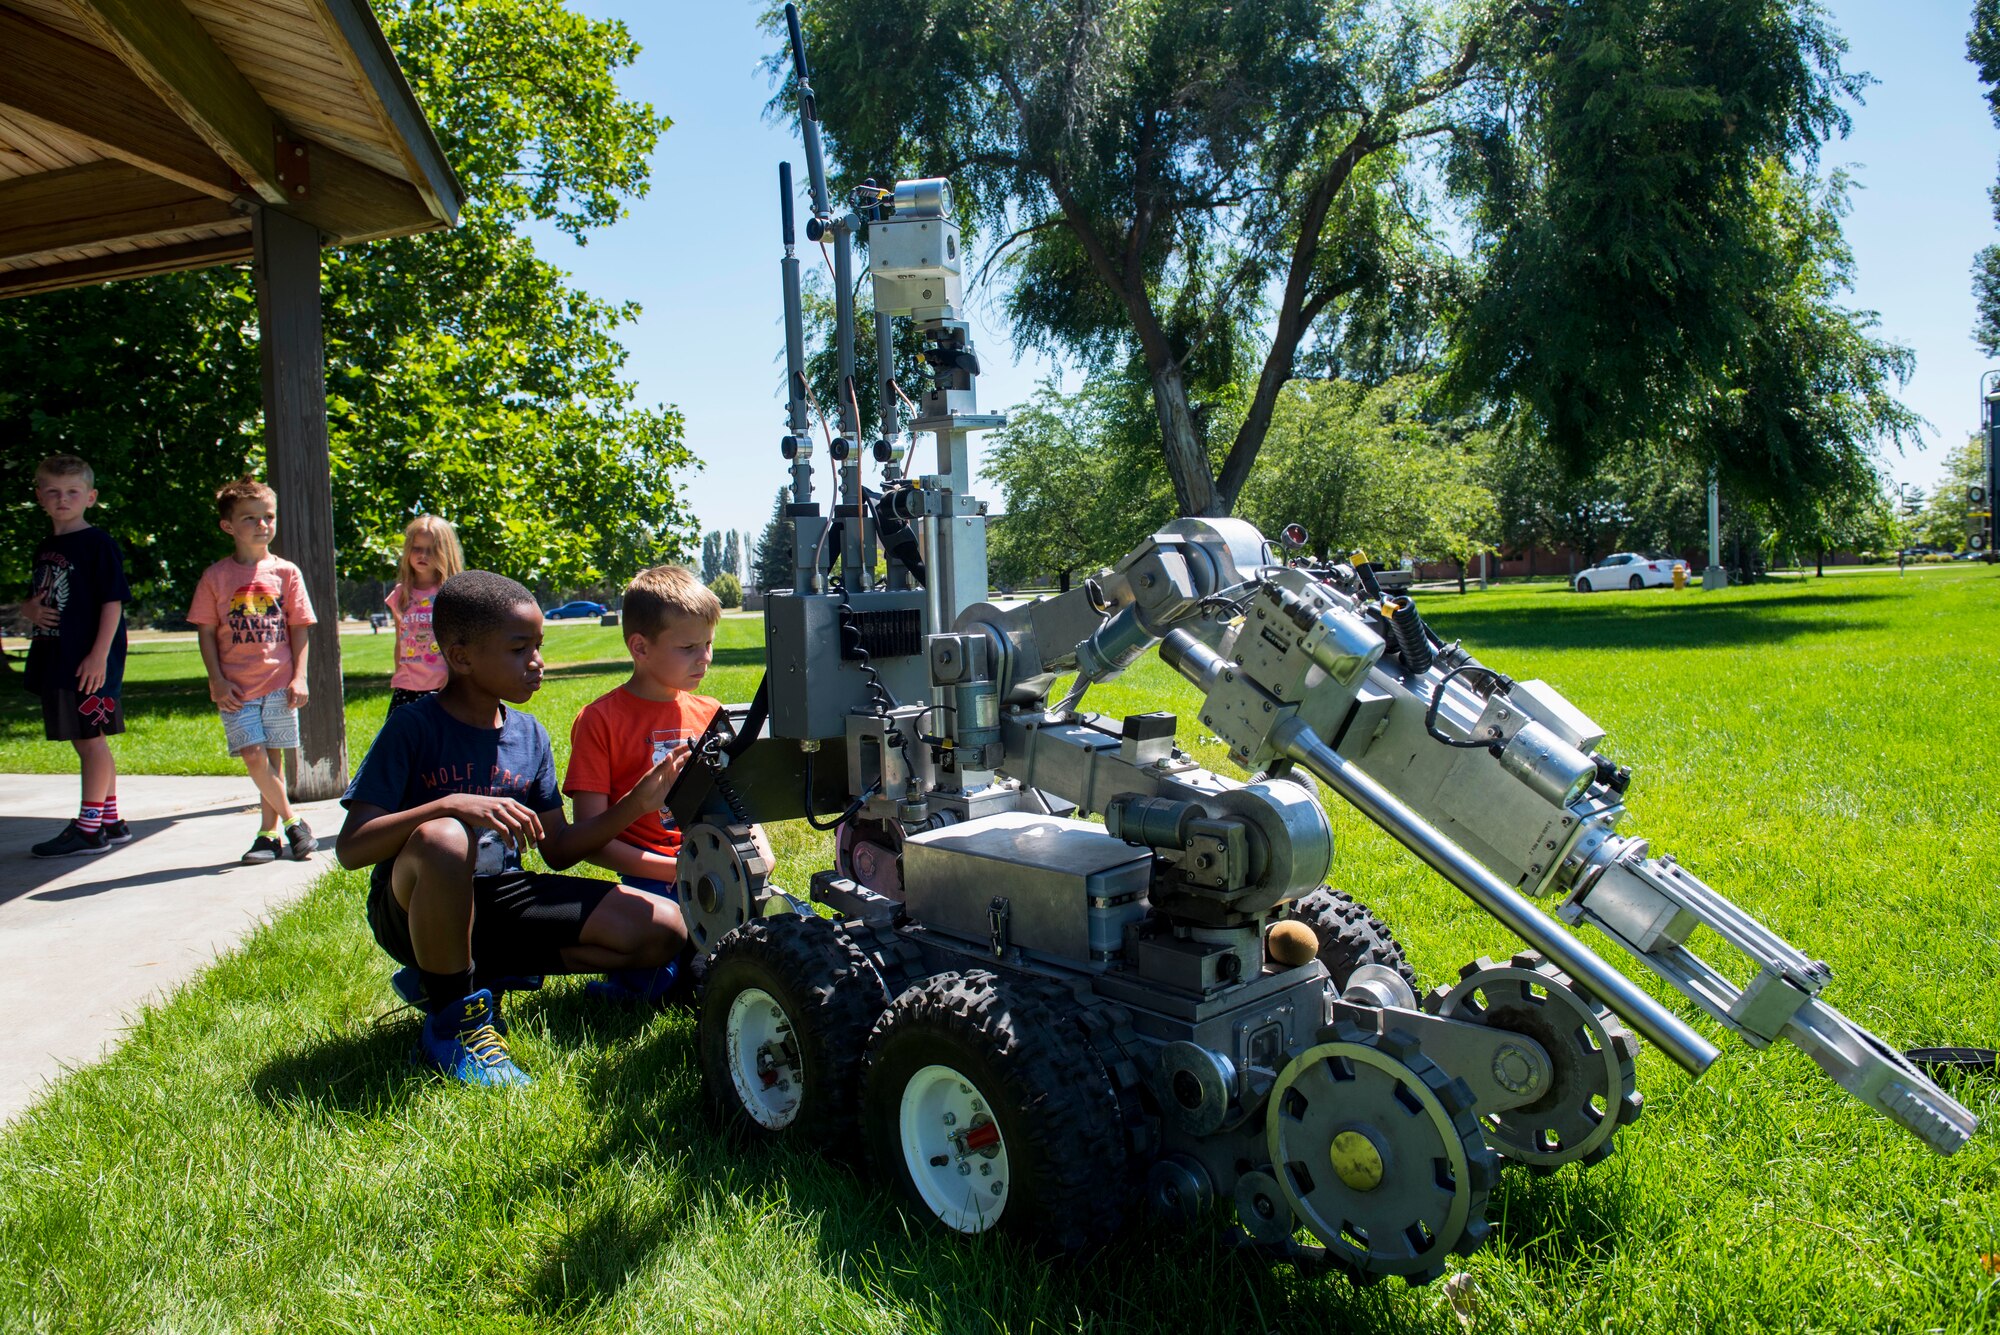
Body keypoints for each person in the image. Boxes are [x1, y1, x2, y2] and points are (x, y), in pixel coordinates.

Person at [334, 570, 688, 1086]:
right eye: (520, 649)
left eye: (539, 646)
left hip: (503, 897)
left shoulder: (528, 734)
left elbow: (560, 850)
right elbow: (352, 847)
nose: (537, 663)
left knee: (664, 929)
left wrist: (636, 804)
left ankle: (476, 972)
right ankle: (453, 1024)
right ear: (461, 656)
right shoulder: (413, 727)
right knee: (444, 838)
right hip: (413, 907)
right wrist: (450, 805)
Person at [563, 564, 762, 1004]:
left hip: (716, 865)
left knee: (765, 946)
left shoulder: (711, 711)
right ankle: (619, 988)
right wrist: (671, 869)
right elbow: (592, 839)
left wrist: (755, 845)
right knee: (666, 977)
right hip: (649, 877)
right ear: (640, 647)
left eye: (708, 644)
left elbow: (738, 801)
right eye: (689, 647)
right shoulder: (600, 721)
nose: (705, 658)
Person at [187, 476, 318, 865]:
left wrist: (300, 676)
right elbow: (206, 633)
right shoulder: (215, 577)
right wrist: (216, 679)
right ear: (228, 526)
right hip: (236, 688)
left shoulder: (286, 573)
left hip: (279, 682)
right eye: (250, 518)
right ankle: (296, 822)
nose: (262, 525)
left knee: (272, 761)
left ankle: (268, 835)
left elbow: (299, 628)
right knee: (253, 755)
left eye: (268, 517)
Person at [21, 455, 131, 858]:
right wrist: (28, 609)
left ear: (90, 496)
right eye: (52, 491)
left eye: (72, 491)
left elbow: (113, 602)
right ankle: (111, 821)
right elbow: (42, 596)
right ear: (40, 497)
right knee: (90, 741)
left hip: (89, 664)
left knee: (90, 741)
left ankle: (88, 830)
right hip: (58, 657)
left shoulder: (97, 543)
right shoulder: (47, 546)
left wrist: (99, 656)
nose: (62, 498)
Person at [384, 514, 462, 716]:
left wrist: (455, 679)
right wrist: (398, 673)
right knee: (402, 743)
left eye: (431, 550)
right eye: (417, 548)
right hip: (407, 686)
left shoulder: (451, 593)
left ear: (445, 552)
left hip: (444, 685)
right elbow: (399, 642)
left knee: (439, 742)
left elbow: (461, 642)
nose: (422, 555)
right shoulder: (400, 595)